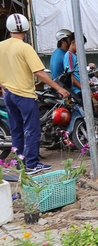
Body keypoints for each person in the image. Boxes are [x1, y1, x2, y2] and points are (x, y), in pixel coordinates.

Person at [0, 14, 70, 174]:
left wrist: (3, 86)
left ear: (9, 28)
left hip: (9, 95)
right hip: (24, 95)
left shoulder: (1, 46)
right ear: (25, 28)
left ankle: (21, 162)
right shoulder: (25, 47)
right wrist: (59, 88)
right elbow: (40, 72)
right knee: (32, 129)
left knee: (16, 129)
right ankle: (31, 164)